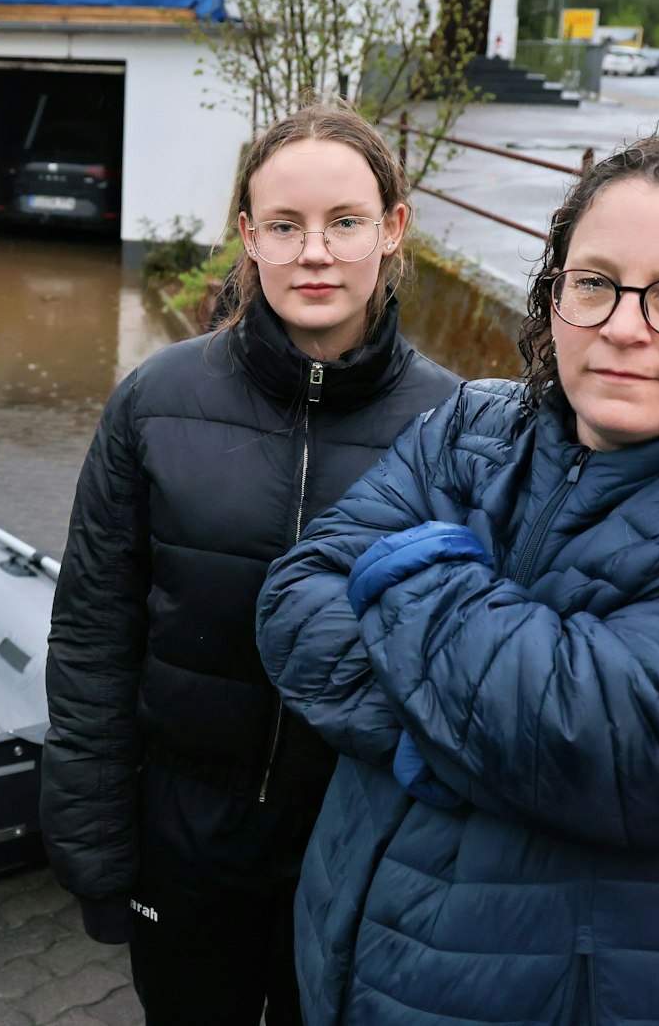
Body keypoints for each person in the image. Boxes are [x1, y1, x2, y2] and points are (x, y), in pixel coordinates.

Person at [257, 134, 659, 1026]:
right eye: (593, 282)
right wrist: (446, 733)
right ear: (554, 298)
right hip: (360, 974)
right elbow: (297, 601)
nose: (623, 324)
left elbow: (610, 740)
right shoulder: (475, 426)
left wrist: (415, 573)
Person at [40, 103, 460, 1025]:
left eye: (345, 222)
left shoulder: (456, 429)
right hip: (186, 838)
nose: (315, 252)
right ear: (248, 236)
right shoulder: (155, 403)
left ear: (393, 230)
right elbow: (91, 637)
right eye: (285, 225)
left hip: (358, 839)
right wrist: (96, 849)